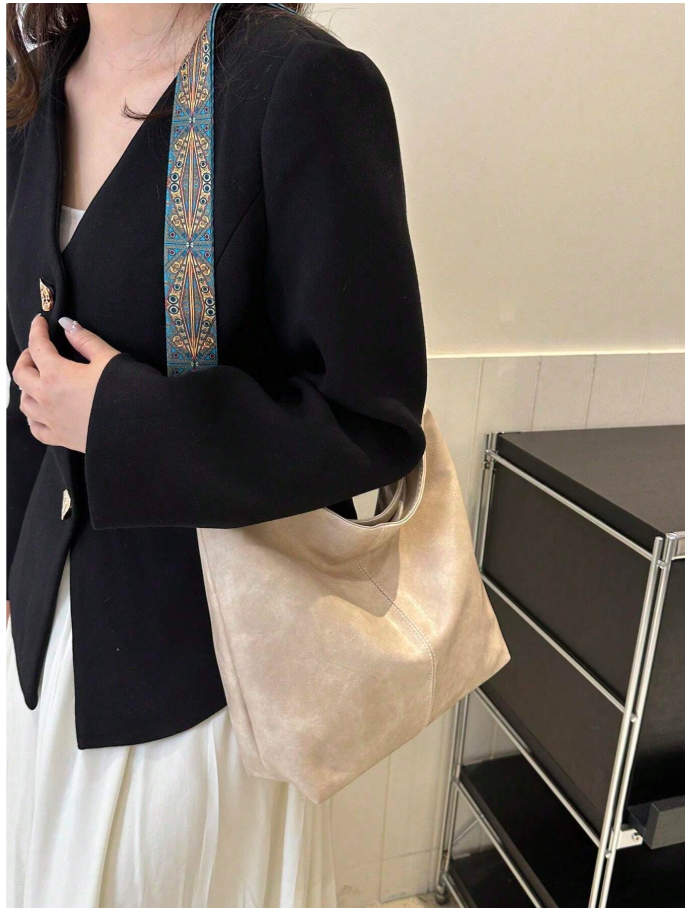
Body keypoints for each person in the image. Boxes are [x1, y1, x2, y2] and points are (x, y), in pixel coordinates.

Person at [6, 4, 427, 906]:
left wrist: (123, 418)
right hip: (48, 650)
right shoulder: (36, 86)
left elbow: (370, 421)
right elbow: (29, 376)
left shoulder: (297, 86)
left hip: (206, 675)